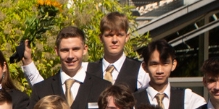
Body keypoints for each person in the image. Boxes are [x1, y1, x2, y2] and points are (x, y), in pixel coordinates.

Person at [22, 12, 150, 92]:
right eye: (109, 35)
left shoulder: (141, 71)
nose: (115, 40)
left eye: (119, 35)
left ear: (127, 37)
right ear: (101, 38)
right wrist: (28, 63)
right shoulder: (86, 68)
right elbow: (47, 89)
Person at [29, 27, 111, 109]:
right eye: (65, 50)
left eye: (75, 49)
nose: (70, 56)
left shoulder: (103, 88)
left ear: (85, 49)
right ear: (56, 51)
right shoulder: (41, 90)